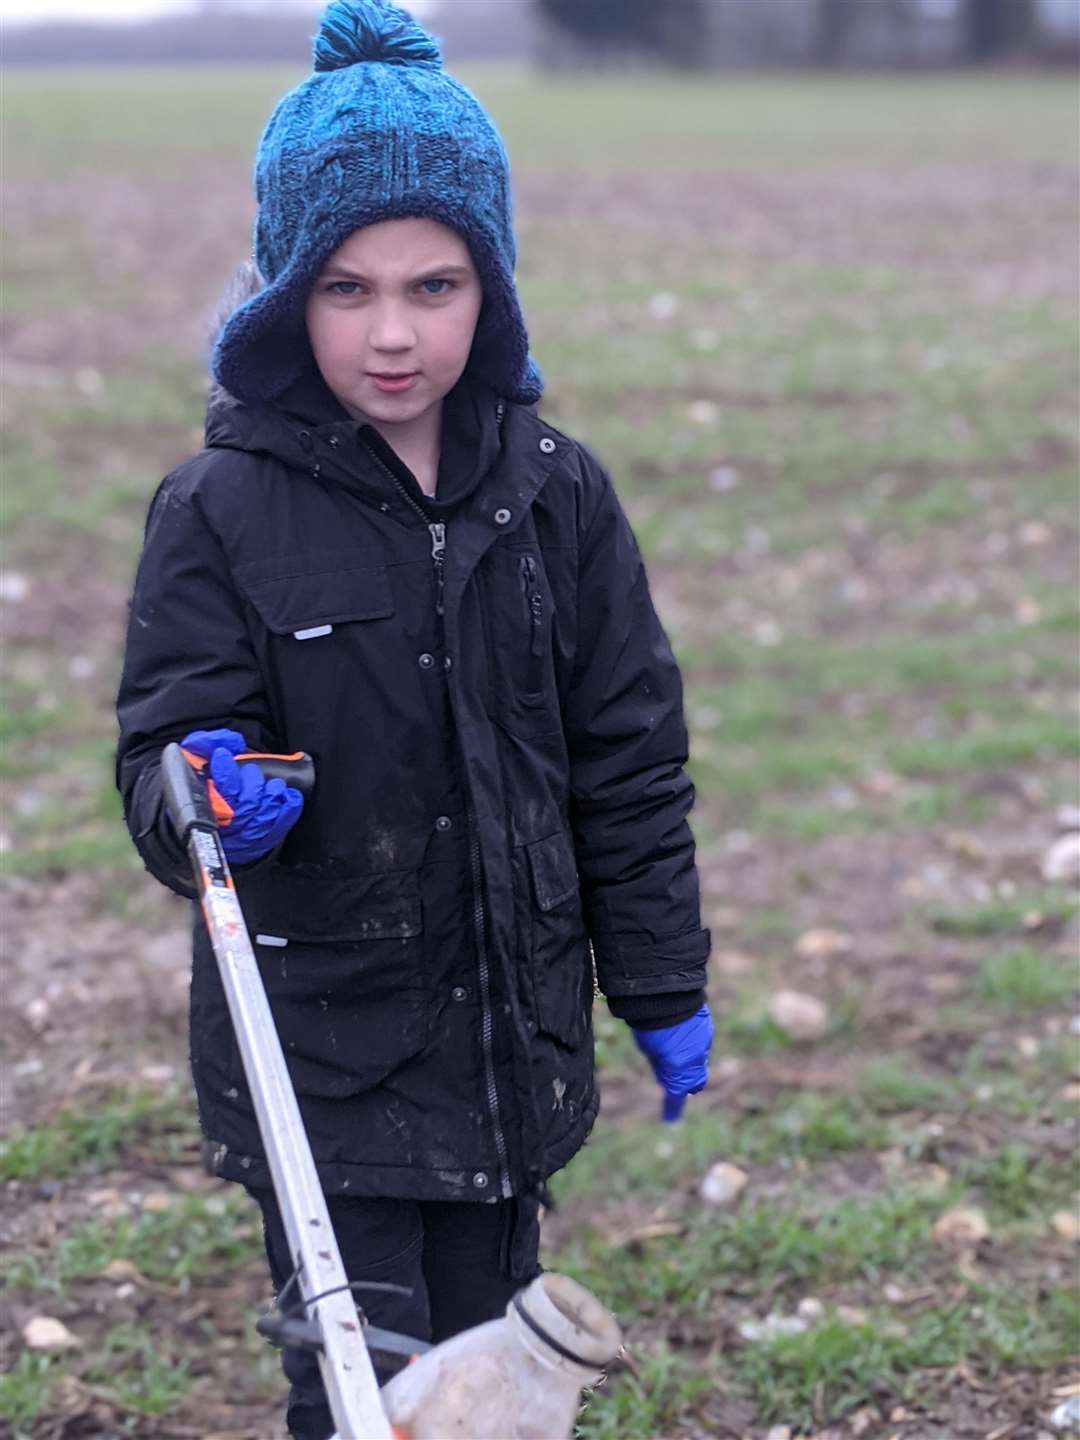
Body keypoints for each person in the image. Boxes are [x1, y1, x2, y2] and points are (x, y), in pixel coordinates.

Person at [115, 2, 713, 1435]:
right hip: (326, 1058)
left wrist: (663, 984)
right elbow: (164, 754)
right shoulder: (219, 509)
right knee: (360, 1390)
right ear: (284, 296)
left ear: (491, 291)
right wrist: (198, 788)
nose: (393, 334)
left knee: (489, 1387)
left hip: (510, 1043)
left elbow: (627, 755)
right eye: (347, 289)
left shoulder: (559, 493)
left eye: (435, 287)